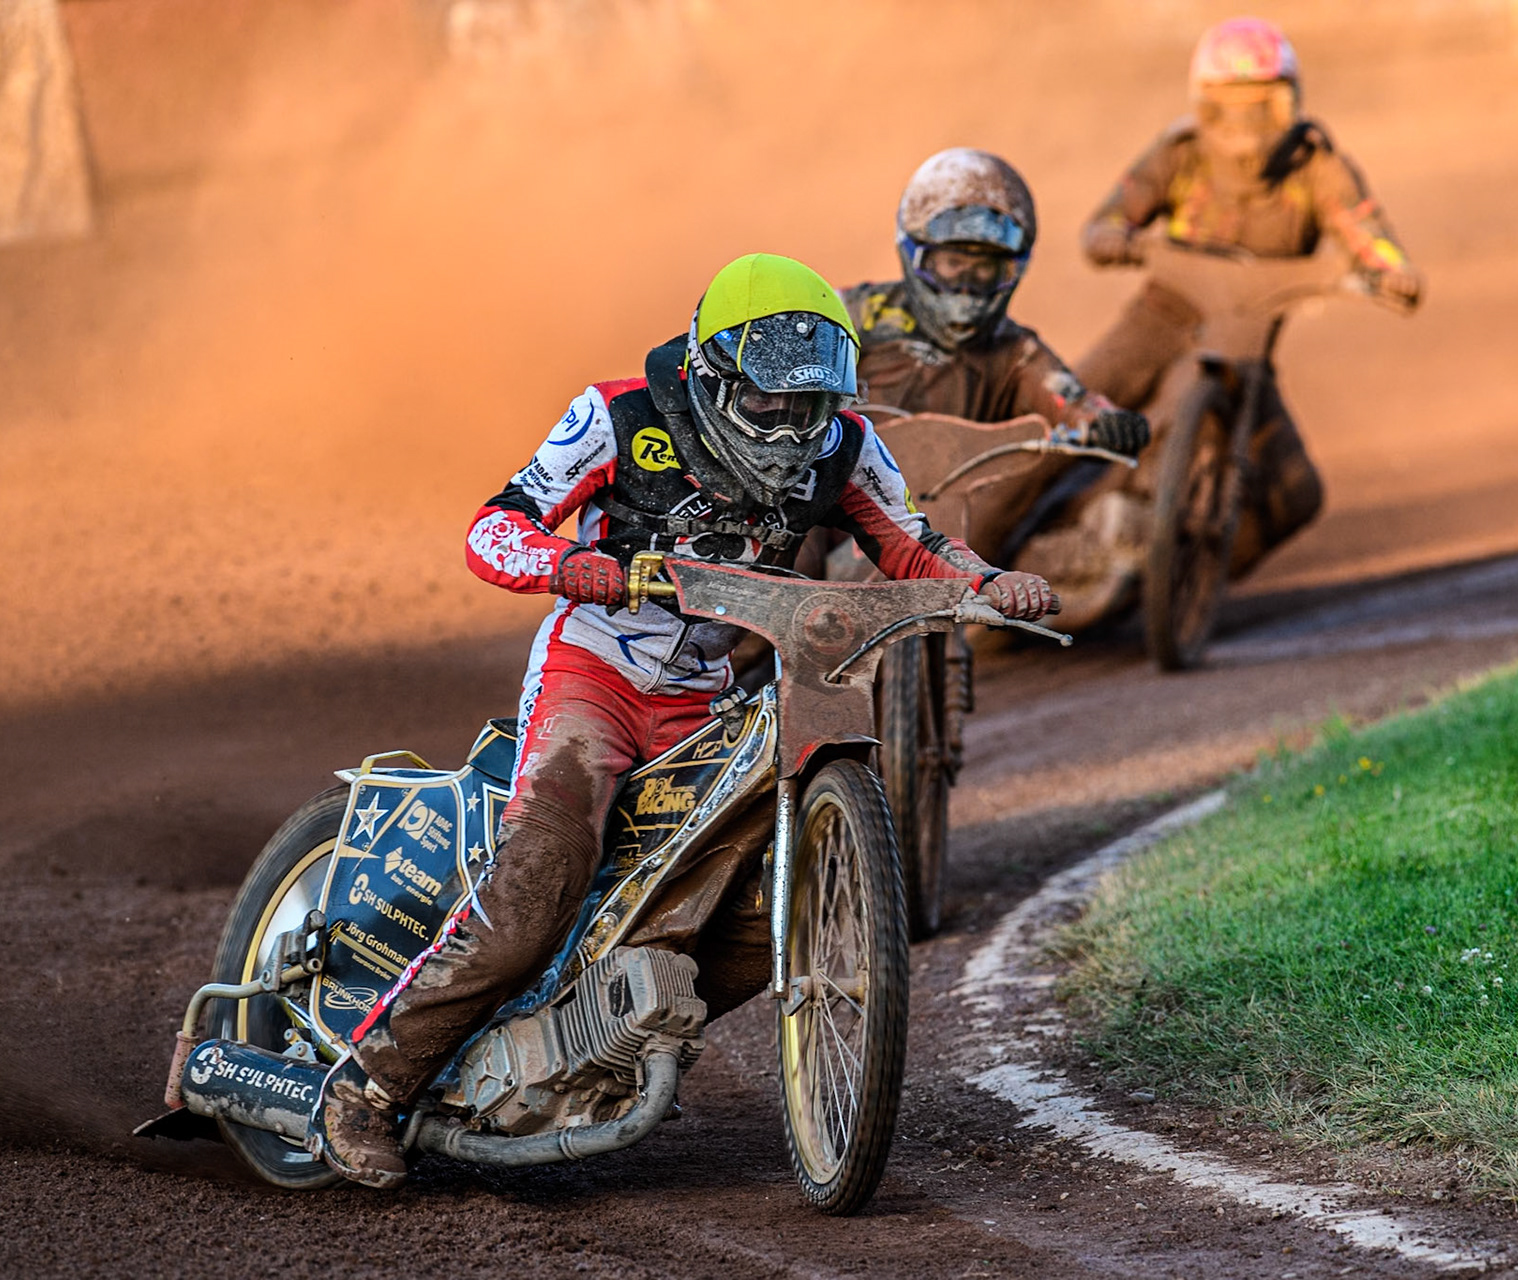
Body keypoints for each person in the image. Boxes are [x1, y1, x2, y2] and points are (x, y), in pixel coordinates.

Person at [310, 252, 1057, 1187]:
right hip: (594, 674)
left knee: (751, 917)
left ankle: (603, 1036)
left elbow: (910, 543)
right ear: (712, 376)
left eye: (811, 403)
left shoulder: (849, 445)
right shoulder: (619, 416)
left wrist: (989, 583)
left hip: (707, 694)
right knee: (538, 887)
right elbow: (494, 527)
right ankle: (365, 1088)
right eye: (770, 401)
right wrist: (569, 565)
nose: (793, 427)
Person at [1071, 16, 1423, 582]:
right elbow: (1113, 215)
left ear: (1292, 106)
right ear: (1201, 106)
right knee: (1058, 417)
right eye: (1226, 111)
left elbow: (1368, 234)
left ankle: (1172, 587)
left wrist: (1391, 271)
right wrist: (1111, 235)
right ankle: (990, 547)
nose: (1244, 130)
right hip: (1156, 322)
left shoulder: (1318, 168)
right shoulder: (1181, 153)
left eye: (1262, 110)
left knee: (1295, 495)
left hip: (1244, 349)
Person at [842, 147, 1148, 470]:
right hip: (840, 487)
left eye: (985, 268)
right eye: (953, 263)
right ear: (914, 254)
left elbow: (1072, 401)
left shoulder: (1017, 352)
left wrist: (1106, 423)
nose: (966, 285)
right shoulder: (856, 313)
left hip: (953, 498)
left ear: (1013, 270)